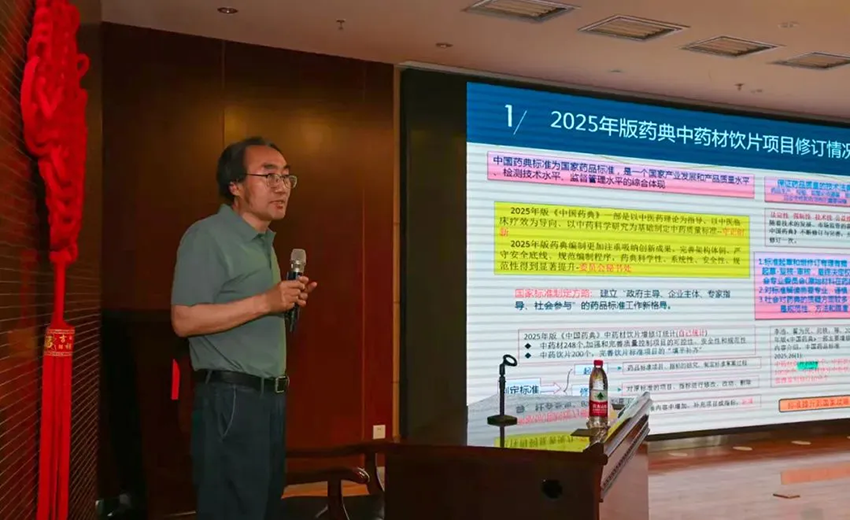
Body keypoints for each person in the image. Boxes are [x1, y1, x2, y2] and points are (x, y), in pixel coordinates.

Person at [170, 136, 317, 520]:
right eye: (268, 176)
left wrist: (282, 302)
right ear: (234, 185)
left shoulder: (263, 243)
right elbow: (183, 320)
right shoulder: (208, 236)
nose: (281, 186)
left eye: (286, 177)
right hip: (231, 400)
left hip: (269, 400)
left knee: (263, 506)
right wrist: (266, 302)